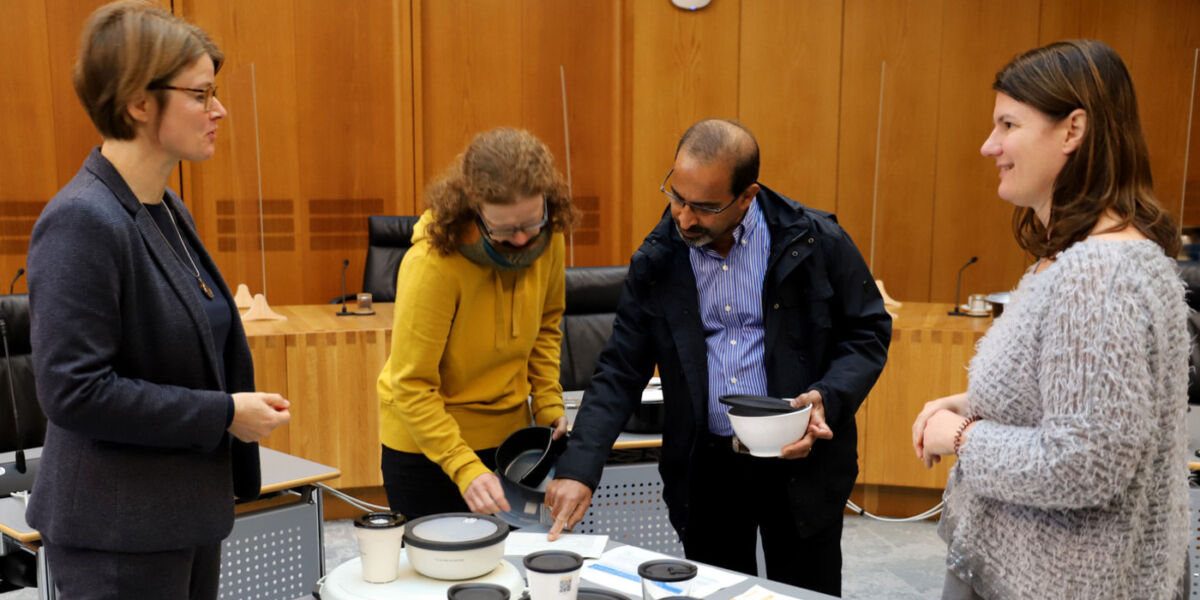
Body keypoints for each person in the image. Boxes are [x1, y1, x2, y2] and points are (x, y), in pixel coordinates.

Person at [547, 119, 892, 596]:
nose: (685, 218)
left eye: (706, 207)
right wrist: (579, 467)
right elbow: (621, 369)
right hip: (706, 469)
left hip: (802, 464)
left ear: (746, 196)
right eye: (676, 197)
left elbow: (867, 332)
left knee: (805, 592)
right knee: (714, 591)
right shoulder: (658, 259)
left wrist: (828, 397)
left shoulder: (814, 241)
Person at [25, 2, 292, 598]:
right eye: (200, 95)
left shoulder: (169, 209)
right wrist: (224, 414)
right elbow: (74, 391)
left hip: (180, 514)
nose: (218, 110)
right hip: (116, 530)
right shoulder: (81, 221)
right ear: (138, 103)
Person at [911, 40, 1189, 600]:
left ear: (1073, 130)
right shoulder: (1087, 258)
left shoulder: (1098, 275)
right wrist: (970, 403)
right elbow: (1082, 401)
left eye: (1008, 124)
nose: (990, 146)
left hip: (1061, 581)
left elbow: (1087, 462)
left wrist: (964, 436)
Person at [377, 128, 577, 519]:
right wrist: (463, 466)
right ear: (473, 208)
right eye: (503, 229)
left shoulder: (549, 239)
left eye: (530, 224)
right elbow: (411, 384)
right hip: (426, 450)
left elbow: (547, 327)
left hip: (509, 440)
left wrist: (548, 402)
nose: (522, 240)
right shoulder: (433, 264)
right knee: (439, 575)